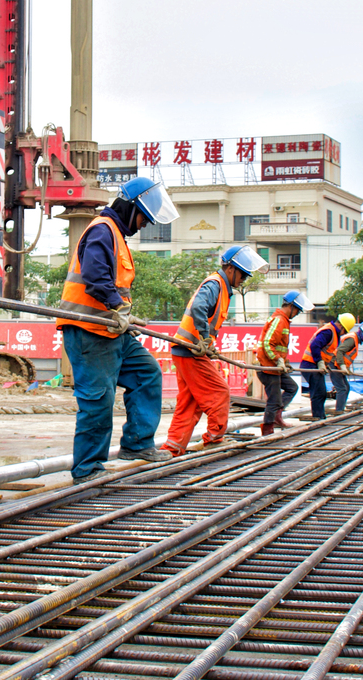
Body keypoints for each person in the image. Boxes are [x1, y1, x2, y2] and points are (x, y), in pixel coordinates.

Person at [57, 176, 180, 482]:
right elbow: (96, 276)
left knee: (146, 373)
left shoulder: (116, 235)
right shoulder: (102, 229)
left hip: (112, 330)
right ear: (130, 208)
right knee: (98, 400)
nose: (142, 225)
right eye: (142, 217)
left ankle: (137, 443)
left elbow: (113, 285)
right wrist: (119, 308)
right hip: (90, 331)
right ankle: (87, 469)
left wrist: (125, 315)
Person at [162, 244, 268, 455]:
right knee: (220, 392)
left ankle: (173, 447)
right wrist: (204, 338)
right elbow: (199, 307)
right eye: (243, 276)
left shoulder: (220, 287)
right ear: (230, 269)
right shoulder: (215, 284)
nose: (243, 281)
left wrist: (205, 341)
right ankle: (215, 439)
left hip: (186, 350)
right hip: (191, 350)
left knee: (190, 403)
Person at [253, 290, 312, 435]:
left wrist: (284, 362)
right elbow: (267, 343)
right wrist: (278, 360)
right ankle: (267, 429)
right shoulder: (279, 320)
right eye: (297, 309)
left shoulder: (284, 320)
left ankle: (277, 416)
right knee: (274, 400)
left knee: (291, 387)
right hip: (267, 367)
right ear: (291, 306)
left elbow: (280, 346)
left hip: (275, 367)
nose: (298, 313)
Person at [299, 313, 355, 420]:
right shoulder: (329, 332)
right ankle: (318, 417)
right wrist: (319, 362)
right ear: (342, 327)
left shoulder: (332, 332)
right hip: (310, 364)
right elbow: (315, 345)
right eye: (345, 331)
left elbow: (326, 351)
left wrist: (325, 364)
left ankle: (320, 416)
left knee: (320, 392)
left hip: (314, 365)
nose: (343, 334)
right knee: (319, 392)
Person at [330, 320, 363, 413]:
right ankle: (339, 411)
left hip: (338, 365)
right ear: (361, 333)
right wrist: (342, 366)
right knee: (342, 388)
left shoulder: (355, 340)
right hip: (334, 364)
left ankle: (341, 408)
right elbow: (340, 351)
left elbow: (347, 356)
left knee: (346, 387)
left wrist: (346, 368)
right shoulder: (352, 339)